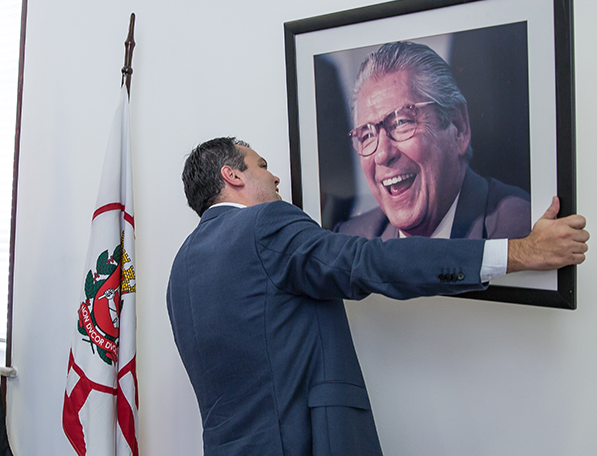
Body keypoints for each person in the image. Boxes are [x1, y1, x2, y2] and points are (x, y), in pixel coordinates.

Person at [166, 137, 588, 455]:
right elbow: (370, 261)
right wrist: (519, 252)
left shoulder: (180, 267)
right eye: (262, 165)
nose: (275, 176)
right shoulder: (265, 224)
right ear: (232, 176)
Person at [335, 41, 530, 240]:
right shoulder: (350, 241)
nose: (383, 154)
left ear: (458, 127)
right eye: (367, 136)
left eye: (401, 122)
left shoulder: (519, 230)